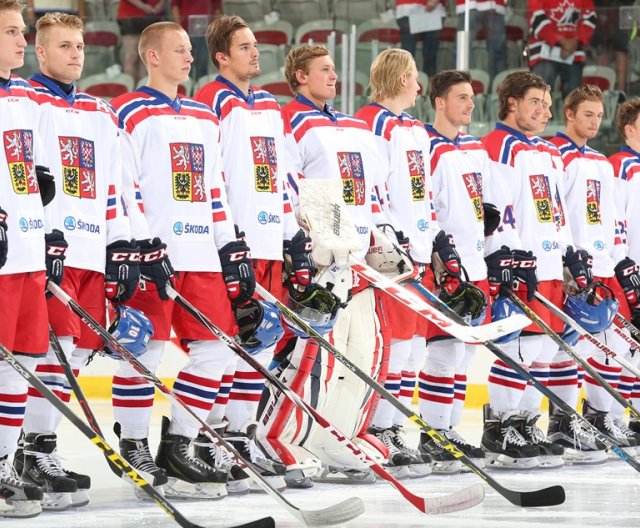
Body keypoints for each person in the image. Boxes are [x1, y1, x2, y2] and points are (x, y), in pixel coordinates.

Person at [110, 21, 255, 500]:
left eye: (190, 50)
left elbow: (214, 188)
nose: (189, 57)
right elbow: (124, 186)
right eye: (178, 50)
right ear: (151, 56)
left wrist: (229, 243)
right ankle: (133, 443)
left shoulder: (202, 115)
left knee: (216, 350)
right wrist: (133, 242)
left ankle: (179, 443)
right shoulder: (127, 111)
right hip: (155, 254)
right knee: (144, 352)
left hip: (202, 257)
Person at [258, 43, 397, 487]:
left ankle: (338, 436)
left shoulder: (352, 126)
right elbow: (285, 187)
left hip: (360, 257)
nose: (334, 76)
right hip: (323, 257)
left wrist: (383, 234)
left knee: (364, 353)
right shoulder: (288, 121)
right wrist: (304, 241)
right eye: (323, 69)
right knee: (317, 355)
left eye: (334, 69)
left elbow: (369, 190)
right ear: (299, 76)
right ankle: (280, 435)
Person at [15, 11, 138, 510]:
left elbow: (113, 185)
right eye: (63, 46)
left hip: (91, 251)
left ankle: (36, 447)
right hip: (46, 247)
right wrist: (42, 238)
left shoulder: (100, 111)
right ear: (39, 52)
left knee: (72, 353)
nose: (75, 54)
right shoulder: (27, 100)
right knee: (47, 348)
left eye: (79, 46)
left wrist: (122, 243)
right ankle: (30, 449)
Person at [192, 14, 310, 491]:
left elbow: (278, 174)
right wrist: (225, 239)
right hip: (233, 244)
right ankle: (210, 439)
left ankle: (240, 437)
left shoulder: (268, 104)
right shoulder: (210, 100)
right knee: (223, 346)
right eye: (244, 47)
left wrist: (292, 234)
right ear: (222, 56)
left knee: (258, 348)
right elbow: (209, 177)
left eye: (255, 45)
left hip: (269, 245)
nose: (256, 53)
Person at [481, 70, 572, 468]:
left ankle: (523, 421)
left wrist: (570, 252)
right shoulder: (499, 145)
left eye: (547, 104)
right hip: (524, 263)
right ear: (512, 102)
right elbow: (497, 208)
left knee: (542, 349)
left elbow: (556, 208)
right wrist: (507, 257)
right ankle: (498, 428)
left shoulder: (549, 151)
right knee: (517, 348)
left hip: (551, 262)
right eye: (535, 101)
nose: (544, 111)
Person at [0, 0, 66, 518]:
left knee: (21, 362)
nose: (21, 41)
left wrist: (50, 231)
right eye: (11, 32)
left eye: (22, 32)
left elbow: (37, 170)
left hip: (26, 250)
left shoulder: (23, 94)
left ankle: (3, 464)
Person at [555, 88, 640, 454]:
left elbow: (612, 219)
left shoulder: (601, 163)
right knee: (568, 347)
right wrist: (568, 259)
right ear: (570, 113)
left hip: (606, 266)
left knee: (613, 346)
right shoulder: (556, 155)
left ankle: (599, 414)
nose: (594, 121)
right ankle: (561, 421)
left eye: (598, 115)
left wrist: (620, 260)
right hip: (573, 266)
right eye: (587, 114)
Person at [418, 68, 494, 472]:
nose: (469, 104)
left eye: (471, 97)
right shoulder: (426, 146)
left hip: (476, 263)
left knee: (463, 355)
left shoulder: (475, 149)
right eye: (461, 97)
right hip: (445, 266)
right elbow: (425, 208)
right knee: (443, 353)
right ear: (440, 102)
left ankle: (448, 427)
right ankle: (433, 433)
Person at [610, 98, 640, 435]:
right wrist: (626, 268)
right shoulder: (620, 166)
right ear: (629, 129)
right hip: (628, 271)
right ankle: (615, 416)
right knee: (624, 349)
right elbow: (612, 220)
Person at [527, 0, 596, 99]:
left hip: (573, 53)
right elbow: (537, 18)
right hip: (543, 54)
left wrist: (575, 41)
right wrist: (564, 42)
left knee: (574, 100)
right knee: (540, 96)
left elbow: (590, 18)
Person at [116, 0, 165, 85]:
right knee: (131, 56)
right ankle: (128, 88)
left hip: (154, 15)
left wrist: (161, 5)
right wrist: (143, 6)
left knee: (146, 57)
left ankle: (142, 90)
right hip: (130, 16)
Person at [455, 0, 506, 80]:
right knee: (461, 50)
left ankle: (498, 86)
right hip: (467, 4)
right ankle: (456, 85)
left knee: (497, 50)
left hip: (493, 5)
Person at [171, 0, 221, 81]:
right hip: (186, 31)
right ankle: (188, 87)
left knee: (202, 66)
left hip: (204, 33)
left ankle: (200, 88)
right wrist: (180, 29)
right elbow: (175, 6)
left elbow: (217, 9)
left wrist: (214, 30)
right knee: (185, 65)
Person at [395, 0, 444, 76]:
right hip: (407, 9)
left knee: (429, 55)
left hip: (432, 10)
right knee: (408, 54)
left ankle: (428, 83)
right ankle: (406, 82)